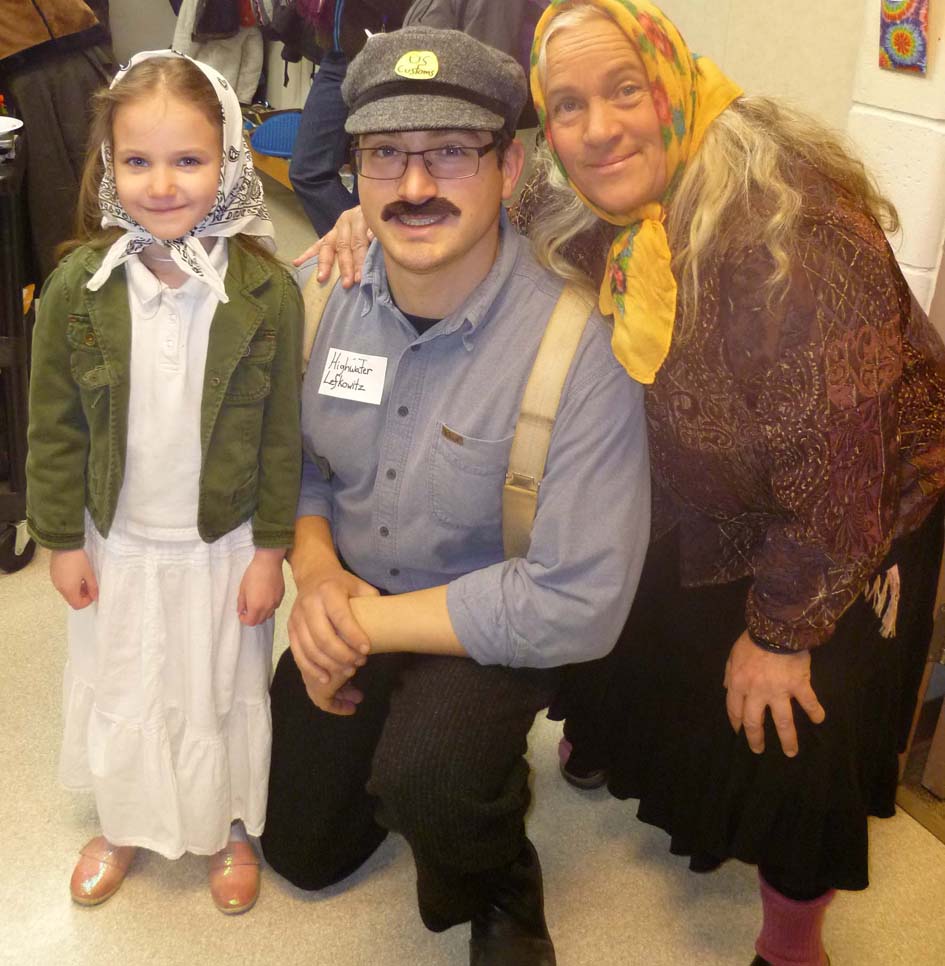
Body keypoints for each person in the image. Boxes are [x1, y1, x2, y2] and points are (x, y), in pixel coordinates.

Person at [516, 2, 945, 965]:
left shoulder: (788, 238)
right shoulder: (584, 195)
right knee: (633, 636)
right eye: (567, 105)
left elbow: (840, 480)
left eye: (624, 89)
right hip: (701, 488)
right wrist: (357, 233)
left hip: (851, 512)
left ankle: (792, 943)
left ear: (670, 80)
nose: (597, 128)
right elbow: (493, 230)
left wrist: (780, 634)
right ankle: (633, 753)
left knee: (795, 731)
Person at [259, 24, 649, 966]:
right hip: (352, 584)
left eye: (451, 153)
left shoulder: (581, 345)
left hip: (493, 607)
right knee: (303, 852)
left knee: (433, 778)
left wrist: (363, 629)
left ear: (510, 167)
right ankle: (412, 745)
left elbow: (578, 601)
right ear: (352, 171)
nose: (416, 185)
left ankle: (503, 886)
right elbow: (307, 466)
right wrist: (316, 574)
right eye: (385, 155)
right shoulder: (328, 292)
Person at [25, 49, 303, 914]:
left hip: (219, 548)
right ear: (109, 167)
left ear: (226, 162)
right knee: (125, 682)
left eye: (188, 159)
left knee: (217, 686)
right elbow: (53, 427)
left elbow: (280, 436)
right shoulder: (77, 287)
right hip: (121, 540)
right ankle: (124, 818)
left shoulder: (265, 291)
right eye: (137, 161)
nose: (162, 183)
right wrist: (62, 539)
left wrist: (271, 549)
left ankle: (227, 825)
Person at [289, 0, 412, 236]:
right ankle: (365, 245)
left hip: (382, 53)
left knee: (370, 171)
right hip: (335, 57)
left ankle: (370, 255)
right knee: (307, 170)